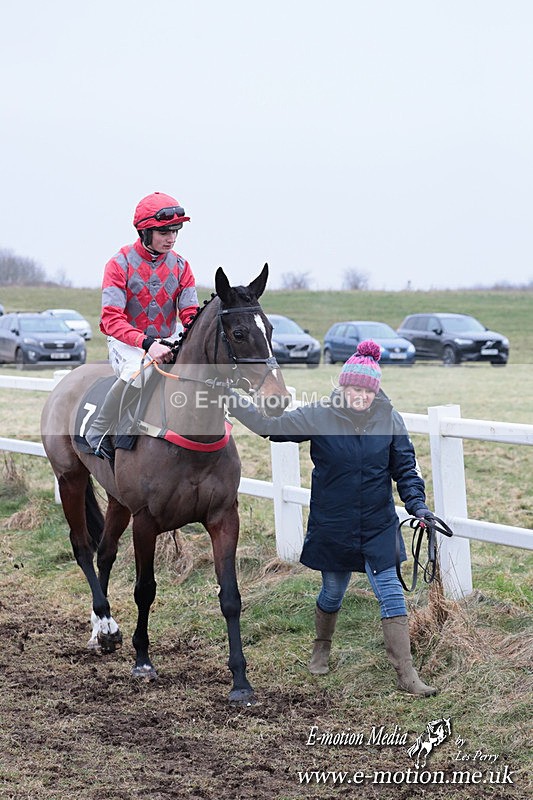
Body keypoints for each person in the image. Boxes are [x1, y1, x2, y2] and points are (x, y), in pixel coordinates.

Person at [229, 340, 437, 696]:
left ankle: (407, 675)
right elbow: (272, 427)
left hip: (377, 523)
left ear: (375, 390)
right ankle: (322, 645)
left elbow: (405, 470)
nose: (360, 396)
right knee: (333, 590)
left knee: (390, 592)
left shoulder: (390, 418)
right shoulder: (320, 414)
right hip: (334, 523)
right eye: (354, 388)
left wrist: (418, 507)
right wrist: (234, 402)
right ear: (343, 387)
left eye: (367, 390)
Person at [85, 192, 199, 459]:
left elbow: (190, 312)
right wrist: (148, 345)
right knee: (141, 371)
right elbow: (111, 319)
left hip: (168, 337)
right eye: (163, 232)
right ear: (145, 232)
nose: (171, 238)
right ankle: (98, 430)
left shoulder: (182, 266)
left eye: (175, 231)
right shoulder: (118, 263)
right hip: (127, 342)